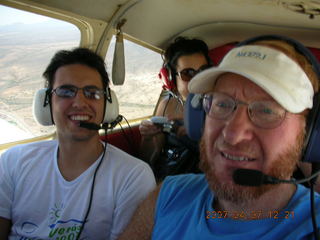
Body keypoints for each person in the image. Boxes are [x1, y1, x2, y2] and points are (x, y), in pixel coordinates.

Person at [117, 35, 320, 239]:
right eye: (222, 104)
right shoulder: (169, 194)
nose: (232, 135)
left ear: (309, 132)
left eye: (266, 111)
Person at [0, 48, 156, 239]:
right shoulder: (13, 161)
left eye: (92, 93)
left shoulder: (133, 177)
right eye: (66, 92)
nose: (80, 102)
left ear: (107, 105)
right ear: (47, 102)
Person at [139, 37, 212, 180]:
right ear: (172, 78)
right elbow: (147, 161)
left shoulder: (220, 106)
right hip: (166, 180)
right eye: (188, 73)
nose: (197, 78)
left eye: (203, 71)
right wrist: (147, 138)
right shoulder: (167, 105)